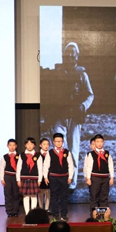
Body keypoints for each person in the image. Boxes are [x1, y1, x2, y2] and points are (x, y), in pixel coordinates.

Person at [48, 42, 94, 190]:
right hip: (60, 114)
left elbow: (90, 94)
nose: (69, 59)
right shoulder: (58, 74)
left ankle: (72, 181)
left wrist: (83, 106)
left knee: (73, 149)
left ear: (77, 57)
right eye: (67, 56)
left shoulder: (82, 74)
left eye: (72, 56)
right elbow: (52, 94)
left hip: (74, 115)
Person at [42, 133, 75, 221]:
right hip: (53, 177)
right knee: (54, 196)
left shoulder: (67, 152)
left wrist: (70, 177)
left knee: (64, 196)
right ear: (53, 142)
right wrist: (45, 177)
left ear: (63, 141)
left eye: (60, 141)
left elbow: (71, 165)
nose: (58, 143)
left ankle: (64, 215)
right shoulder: (50, 153)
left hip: (64, 177)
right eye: (56, 141)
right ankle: (55, 215)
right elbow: (46, 165)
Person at [84, 134, 114, 218]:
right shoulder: (91, 154)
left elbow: (110, 165)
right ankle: (94, 216)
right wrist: (88, 178)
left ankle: (103, 216)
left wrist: (112, 177)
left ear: (103, 142)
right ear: (94, 143)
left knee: (104, 197)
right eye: (97, 142)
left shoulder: (107, 154)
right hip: (95, 178)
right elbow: (88, 167)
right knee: (94, 197)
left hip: (105, 178)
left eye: (101, 142)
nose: (99, 144)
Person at [16, 137, 43, 215]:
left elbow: (40, 168)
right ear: (25, 145)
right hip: (24, 178)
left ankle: (32, 214)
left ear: (34, 145)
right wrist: (18, 179)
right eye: (28, 144)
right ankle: (27, 213)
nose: (29, 145)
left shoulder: (38, 155)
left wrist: (40, 179)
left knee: (34, 196)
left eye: (31, 144)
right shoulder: (22, 155)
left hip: (34, 178)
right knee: (25, 196)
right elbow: (19, 168)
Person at [0, 139, 20, 217]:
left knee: (16, 194)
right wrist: (2, 178)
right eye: (10, 145)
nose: (12, 147)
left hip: (16, 176)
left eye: (13, 145)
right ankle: (9, 211)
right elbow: (2, 168)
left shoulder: (19, 156)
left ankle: (15, 211)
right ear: (7, 146)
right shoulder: (5, 157)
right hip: (7, 176)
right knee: (8, 194)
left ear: (16, 146)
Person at [37, 138, 51, 213]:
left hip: (48, 175)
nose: (46, 146)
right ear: (40, 145)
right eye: (44, 144)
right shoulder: (37, 155)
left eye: (47, 144)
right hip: (40, 176)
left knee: (48, 192)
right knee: (40, 193)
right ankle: (41, 209)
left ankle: (47, 208)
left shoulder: (50, 154)